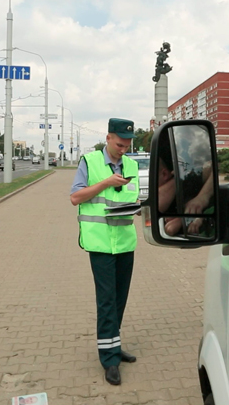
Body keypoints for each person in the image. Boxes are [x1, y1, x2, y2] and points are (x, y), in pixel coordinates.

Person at [69, 119, 140, 385]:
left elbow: (132, 198)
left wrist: (138, 207)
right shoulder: (89, 162)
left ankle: (114, 343)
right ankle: (109, 359)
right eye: (120, 144)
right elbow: (76, 197)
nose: (124, 149)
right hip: (100, 244)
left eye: (128, 145)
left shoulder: (131, 165)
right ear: (108, 137)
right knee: (107, 301)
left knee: (119, 299)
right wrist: (106, 182)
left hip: (124, 242)